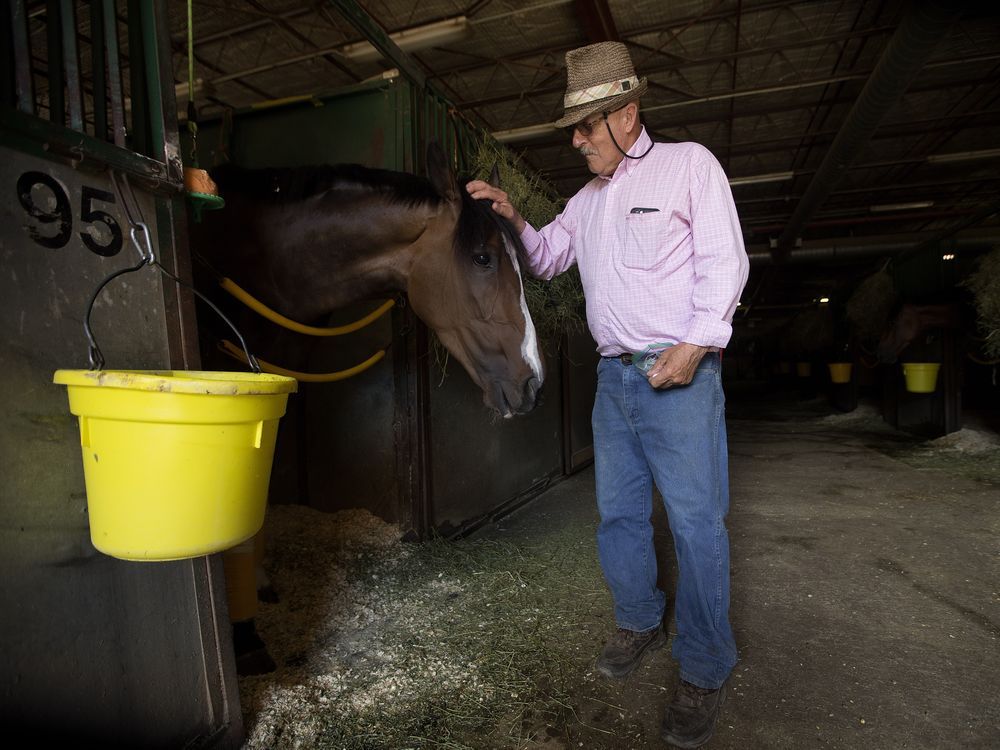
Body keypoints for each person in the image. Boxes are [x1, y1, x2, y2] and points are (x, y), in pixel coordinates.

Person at [468, 41, 749, 748]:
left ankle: (705, 665)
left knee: (695, 523)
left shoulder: (690, 166)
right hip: (614, 380)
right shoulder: (585, 201)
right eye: (575, 128)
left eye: (587, 126)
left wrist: (696, 345)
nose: (577, 139)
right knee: (619, 515)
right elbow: (548, 258)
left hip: (677, 376)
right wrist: (511, 217)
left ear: (627, 114)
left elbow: (726, 259)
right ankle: (638, 620)